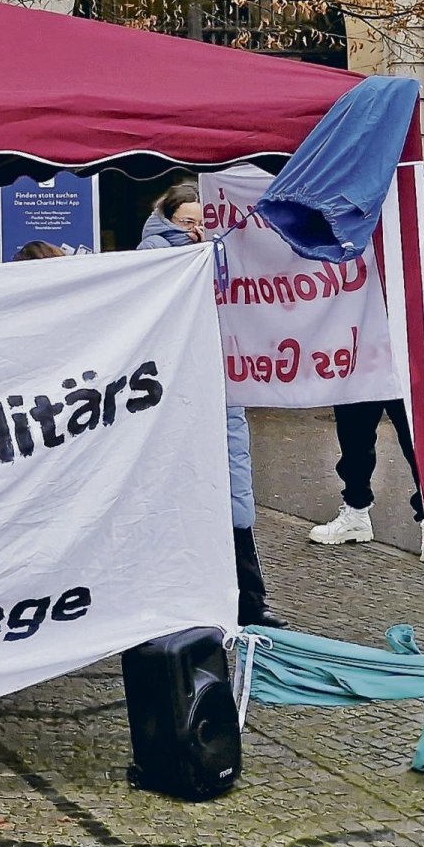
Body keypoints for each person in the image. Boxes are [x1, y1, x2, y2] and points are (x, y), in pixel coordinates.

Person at [136, 181, 278, 629]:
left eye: (202, 222)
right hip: (175, 384)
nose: (196, 230)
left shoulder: (222, 250)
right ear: (166, 220)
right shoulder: (151, 255)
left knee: (234, 491)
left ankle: (251, 601)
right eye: (186, 223)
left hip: (220, 379)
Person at [308, 183, 424, 561]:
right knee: (353, 437)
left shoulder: (423, 227)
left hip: (405, 350)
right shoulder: (344, 230)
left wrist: (404, 263)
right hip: (360, 349)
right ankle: (356, 513)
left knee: (417, 442)